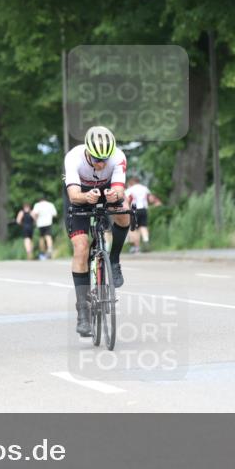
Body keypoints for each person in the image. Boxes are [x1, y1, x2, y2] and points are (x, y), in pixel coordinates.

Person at [64, 125, 131, 337]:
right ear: (87, 152)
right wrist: (86, 197)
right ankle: (83, 312)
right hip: (80, 195)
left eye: (105, 159)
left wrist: (114, 196)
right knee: (81, 247)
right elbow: (73, 195)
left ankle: (114, 260)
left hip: (106, 190)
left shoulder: (118, 157)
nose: (101, 164)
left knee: (124, 212)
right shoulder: (73, 157)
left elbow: (119, 189)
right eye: (96, 159)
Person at [124, 176, 161, 253]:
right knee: (143, 226)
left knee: (134, 229)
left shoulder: (130, 189)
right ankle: (146, 241)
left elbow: (127, 199)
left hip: (134, 210)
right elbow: (150, 198)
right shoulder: (144, 188)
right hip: (143, 209)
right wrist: (157, 202)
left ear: (131, 182)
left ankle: (136, 247)